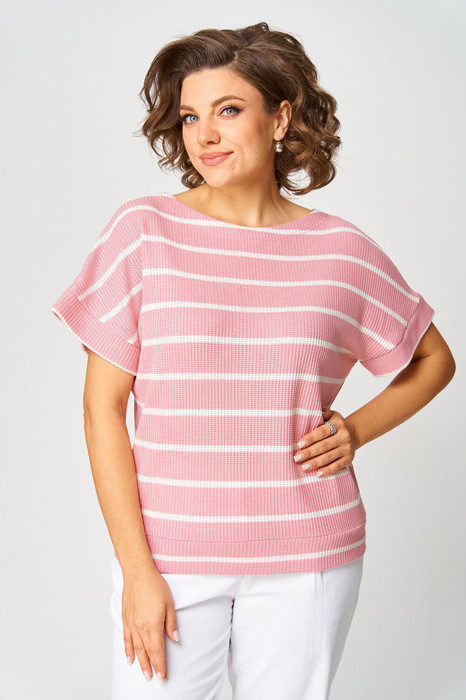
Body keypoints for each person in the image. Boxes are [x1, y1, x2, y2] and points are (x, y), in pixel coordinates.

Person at [50, 21, 456, 700]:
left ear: (281, 118)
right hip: (171, 558)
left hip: (308, 555)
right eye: (190, 117)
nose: (204, 135)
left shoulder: (340, 250)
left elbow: (434, 360)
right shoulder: (143, 231)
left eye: (229, 110)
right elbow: (102, 411)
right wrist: (137, 572)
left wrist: (354, 431)